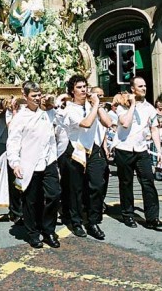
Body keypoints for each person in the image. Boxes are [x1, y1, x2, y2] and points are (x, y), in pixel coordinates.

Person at [7, 82, 62, 248]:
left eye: (39, 95)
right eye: (33, 96)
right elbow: (13, 142)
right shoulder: (19, 118)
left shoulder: (47, 113)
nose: (37, 99)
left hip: (49, 161)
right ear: (25, 97)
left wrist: (56, 101)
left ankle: (48, 230)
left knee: (54, 195)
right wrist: (15, 163)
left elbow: (61, 121)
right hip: (29, 163)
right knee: (32, 201)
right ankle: (33, 233)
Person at [112, 77, 162, 230]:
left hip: (141, 150)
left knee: (148, 182)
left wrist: (159, 150)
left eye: (145, 85)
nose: (144, 88)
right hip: (124, 148)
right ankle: (128, 215)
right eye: (140, 86)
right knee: (126, 183)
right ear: (132, 89)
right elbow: (125, 123)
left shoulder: (149, 108)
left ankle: (152, 218)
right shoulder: (122, 104)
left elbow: (154, 129)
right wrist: (133, 105)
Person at [62, 75, 111, 240]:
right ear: (72, 91)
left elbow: (108, 123)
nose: (83, 90)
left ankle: (93, 221)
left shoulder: (92, 105)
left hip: (94, 149)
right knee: (76, 189)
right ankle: (76, 221)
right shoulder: (69, 109)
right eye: (79, 87)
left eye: (85, 86)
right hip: (76, 150)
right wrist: (95, 106)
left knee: (97, 185)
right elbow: (86, 123)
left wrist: (97, 105)